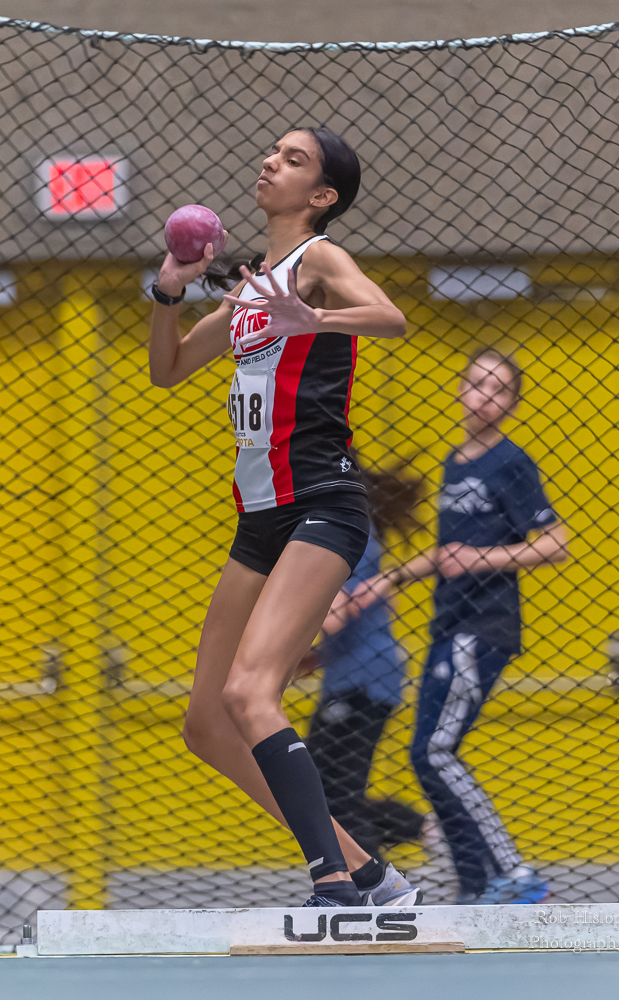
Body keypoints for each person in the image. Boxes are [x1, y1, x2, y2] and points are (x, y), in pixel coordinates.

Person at [148, 125, 421, 908]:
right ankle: (371, 875)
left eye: (293, 159)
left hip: (322, 505)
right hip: (259, 520)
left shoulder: (316, 262)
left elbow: (390, 318)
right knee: (206, 726)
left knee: (250, 695)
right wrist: (169, 290)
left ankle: (332, 882)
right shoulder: (251, 291)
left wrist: (316, 321)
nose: (271, 161)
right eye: (272, 151)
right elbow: (167, 369)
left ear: (321, 195)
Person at [350, 349, 569, 904]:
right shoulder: (454, 462)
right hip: (447, 624)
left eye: (498, 390)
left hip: (483, 624)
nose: (484, 397)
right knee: (424, 755)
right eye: (477, 384)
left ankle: (515, 875)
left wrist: (482, 559)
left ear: (512, 403)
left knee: (437, 752)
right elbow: (448, 552)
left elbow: (555, 543)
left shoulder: (511, 462)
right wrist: (389, 579)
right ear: (460, 389)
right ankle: (475, 886)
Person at [297, 462, 425, 861]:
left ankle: (376, 877)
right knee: (321, 787)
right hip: (354, 675)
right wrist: (315, 657)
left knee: (333, 790)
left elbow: (337, 612)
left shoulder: (346, 533)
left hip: (364, 680)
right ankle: (423, 829)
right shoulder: (348, 529)